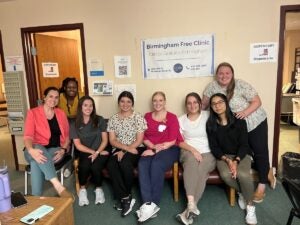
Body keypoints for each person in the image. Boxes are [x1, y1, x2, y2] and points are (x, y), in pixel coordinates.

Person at [202, 62, 276, 203]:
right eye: (221, 73)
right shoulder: (211, 87)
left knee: (259, 151)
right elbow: (204, 105)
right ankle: (266, 171)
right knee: (245, 151)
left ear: (232, 74)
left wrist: (244, 113)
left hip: (254, 121)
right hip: (235, 126)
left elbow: (257, 101)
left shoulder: (240, 84)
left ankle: (261, 186)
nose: (224, 76)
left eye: (227, 73)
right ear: (217, 75)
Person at [206, 93, 257, 225]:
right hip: (223, 156)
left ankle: (250, 206)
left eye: (220, 102)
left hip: (241, 154)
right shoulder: (210, 124)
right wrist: (227, 160)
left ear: (226, 103)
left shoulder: (239, 120)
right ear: (211, 107)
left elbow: (244, 144)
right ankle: (242, 192)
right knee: (225, 174)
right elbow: (214, 147)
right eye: (214, 104)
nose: (217, 106)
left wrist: (236, 160)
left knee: (243, 174)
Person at [136, 91, 182, 223]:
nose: (157, 103)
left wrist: (155, 150)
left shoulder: (172, 117)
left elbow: (173, 140)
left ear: (165, 102)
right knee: (143, 164)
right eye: (155, 100)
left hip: (169, 149)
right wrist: (151, 147)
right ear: (152, 102)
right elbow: (143, 136)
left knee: (156, 164)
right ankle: (147, 204)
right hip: (151, 148)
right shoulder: (147, 116)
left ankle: (153, 204)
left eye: (160, 100)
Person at [23, 87, 72, 198]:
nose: (53, 100)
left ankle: (36, 198)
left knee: (36, 162)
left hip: (55, 150)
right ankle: (58, 186)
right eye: (50, 96)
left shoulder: (61, 114)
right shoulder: (33, 113)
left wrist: (63, 150)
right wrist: (31, 150)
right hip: (33, 149)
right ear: (44, 97)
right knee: (38, 151)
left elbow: (67, 137)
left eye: (56, 97)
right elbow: (28, 136)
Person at [176, 92, 216, 225]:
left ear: (200, 104)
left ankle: (190, 207)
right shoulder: (180, 120)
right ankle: (191, 205)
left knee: (202, 170)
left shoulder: (208, 115)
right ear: (186, 105)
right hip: (188, 150)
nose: (192, 105)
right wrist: (193, 150)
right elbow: (179, 141)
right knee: (192, 164)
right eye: (189, 103)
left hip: (208, 152)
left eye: (195, 102)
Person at [106, 91, 147, 217]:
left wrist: (126, 150)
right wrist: (123, 149)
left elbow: (140, 139)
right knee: (111, 165)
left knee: (124, 163)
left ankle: (126, 194)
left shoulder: (138, 117)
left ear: (132, 103)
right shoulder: (113, 119)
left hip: (135, 148)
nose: (125, 104)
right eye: (122, 101)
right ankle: (126, 198)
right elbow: (112, 140)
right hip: (118, 148)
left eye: (128, 101)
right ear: (119, 103)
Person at [70, 96, 109, 206]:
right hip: (85, 151)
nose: (88, 108)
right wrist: (93, 152)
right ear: (80, 107)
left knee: (95, 166)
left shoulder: (99, 119)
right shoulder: (74, 123)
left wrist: (97, 152)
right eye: (85, 105)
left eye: (91, 105)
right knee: (84, 166)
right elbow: (77, 145)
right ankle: (82, 190)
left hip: (101, 149)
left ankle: (98, 189)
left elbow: (105, 140)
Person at [58, 77, 83, 178]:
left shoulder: (81, 95)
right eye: (69, 87)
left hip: (78, 122)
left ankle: (71, 167)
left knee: (77, 143)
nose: (72, 89)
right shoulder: (59, 97)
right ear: (64, 87)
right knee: (66, 142)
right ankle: (66, 164)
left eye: (74, 87)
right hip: (63, 122)